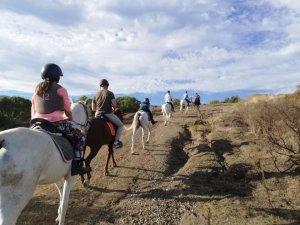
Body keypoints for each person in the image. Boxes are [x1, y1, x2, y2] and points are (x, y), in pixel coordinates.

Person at [31, 63, 91, 176]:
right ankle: (76, 165)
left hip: (36, 122)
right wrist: (69, 118)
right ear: (57, 77)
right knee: (80, 136)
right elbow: (67, 108)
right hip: (55, 123)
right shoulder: (61, 90)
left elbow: (33, 109)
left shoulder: (36, 91)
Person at [92, 78, 124, 149]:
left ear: (100, 86)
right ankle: (115, 142)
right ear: (107, 86)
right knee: (121, 125)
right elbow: (114, 105)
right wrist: (113, 108)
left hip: (97, 114)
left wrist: (99, 109)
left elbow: (93, 108)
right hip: (107, 113)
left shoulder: (95, 95)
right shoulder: (110, 93)